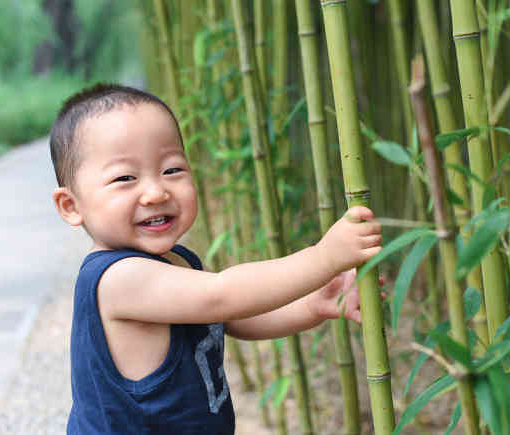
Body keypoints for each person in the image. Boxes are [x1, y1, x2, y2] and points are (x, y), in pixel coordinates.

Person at [50, 83, 383, 434]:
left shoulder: (176, 260)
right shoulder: (118, 279)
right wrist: (323, 257)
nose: (156, 191)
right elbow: (223, 294)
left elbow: (232, 317)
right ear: (71, 206)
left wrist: (315, 303)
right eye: (125, 178)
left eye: (172, 170)